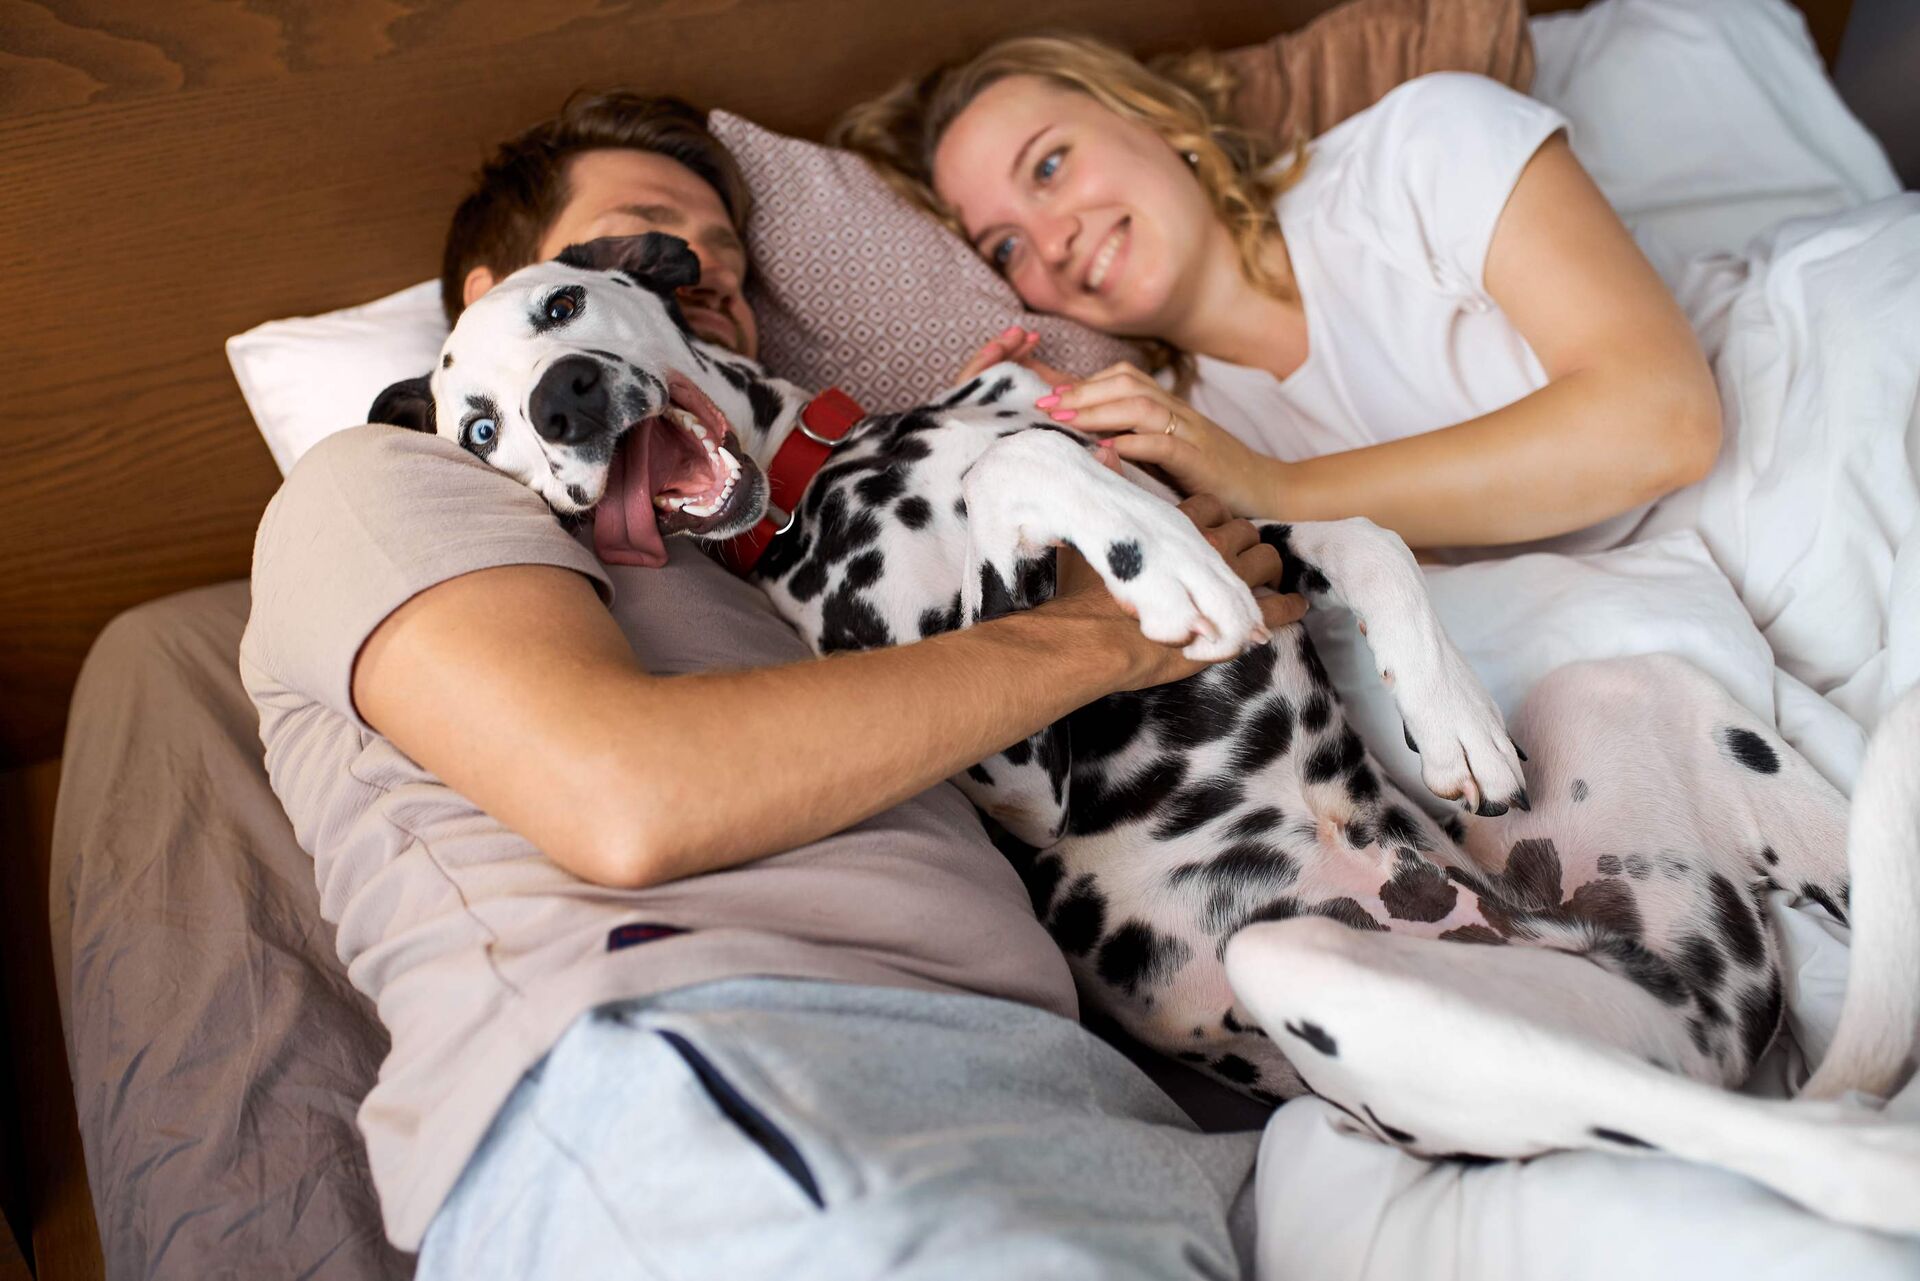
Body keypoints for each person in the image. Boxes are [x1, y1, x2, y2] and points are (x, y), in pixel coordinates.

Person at [242, 89, 1305, 1277]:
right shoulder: (386, 481)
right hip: (725, 1070)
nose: (697, 272)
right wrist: (1111, 633)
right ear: (499, 302)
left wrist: (959, 459)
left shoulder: (790, 535)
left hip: (1091, 1093)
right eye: (645, 234)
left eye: (732, 267)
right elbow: (629, 796)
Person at [833, 35, 1724, 554]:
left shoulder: (1421, 148)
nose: (1055, 237)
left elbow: (1664, 422)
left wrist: (1281, 488)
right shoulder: (1182, 444)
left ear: (1154, 116)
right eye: (1007, 245)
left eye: (1051, 164)